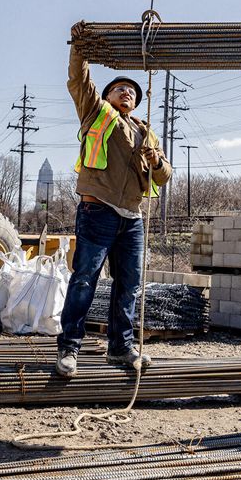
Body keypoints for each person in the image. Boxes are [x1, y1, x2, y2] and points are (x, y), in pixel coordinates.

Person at [56, 21, 172, 378]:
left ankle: (121, 348)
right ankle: (69, 348)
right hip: (98, 210)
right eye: (120, 88)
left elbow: (165, 175)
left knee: (130, 285)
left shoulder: (145, 131)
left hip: (133, 218)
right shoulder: (97, 113)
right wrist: (78, 46)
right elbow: (79, 81)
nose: (127, 93)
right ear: (107, 96)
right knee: (85, 278)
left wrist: (156, 161)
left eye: (132, 91)